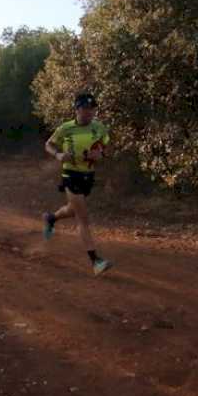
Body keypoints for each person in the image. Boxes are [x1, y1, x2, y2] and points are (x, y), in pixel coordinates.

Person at [42, 93, 113, 275]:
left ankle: (51, 218)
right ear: (77, 110)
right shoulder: (66, 128)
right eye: (85, 109)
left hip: (88, 176)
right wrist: (58, 155)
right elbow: (48, 144)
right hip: (70, 174)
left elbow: (107, 147)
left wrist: (101, 155)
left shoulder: (99, 128)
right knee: (83, 217)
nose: (89, 113)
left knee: (72, 209)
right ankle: (95, 261)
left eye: (92, 109)